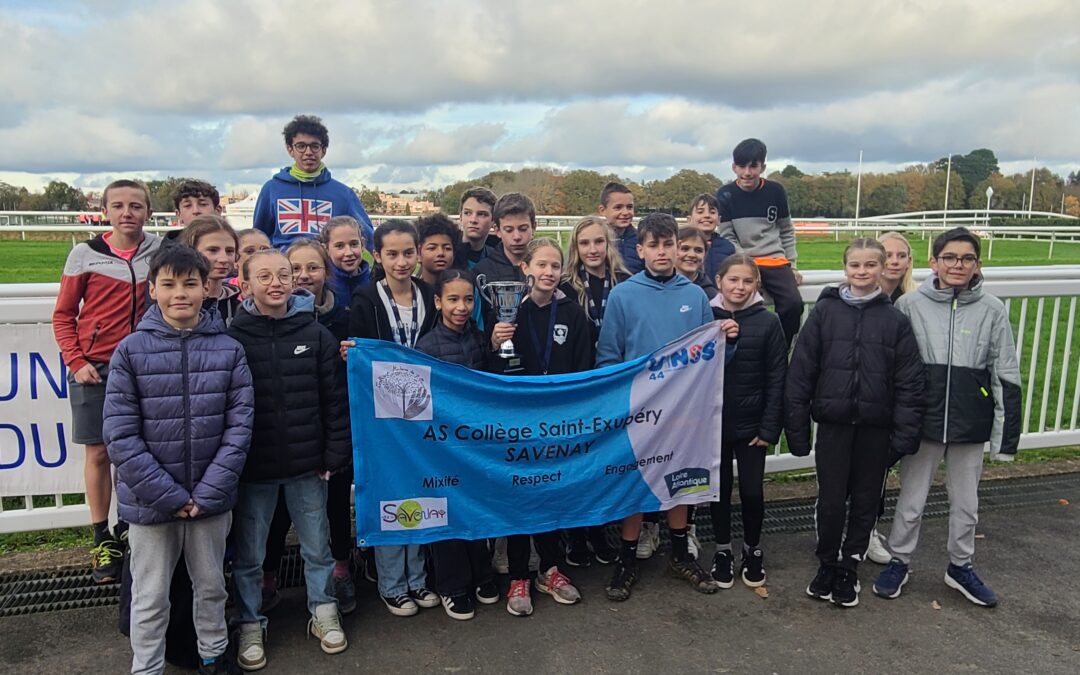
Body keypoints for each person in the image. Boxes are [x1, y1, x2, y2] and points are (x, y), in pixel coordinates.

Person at [104, 245, 253, 675]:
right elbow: (119, 433)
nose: (180, 294)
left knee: (210, 587)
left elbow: (239, 428)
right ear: (153, 290)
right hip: (150, 504)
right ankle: (146, 666)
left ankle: (214, 655)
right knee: (150, 595)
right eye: (168, 284)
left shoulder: (229, 350)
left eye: (190, 284)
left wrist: (206, 492)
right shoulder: (131, 351)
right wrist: (168, 496)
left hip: (210, 499)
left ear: (207, 289)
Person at [873, 227, 1022, 608]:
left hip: (969, 422)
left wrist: (1005, 439)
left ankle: (960, 565)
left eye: (967, 259)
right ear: (933, 262)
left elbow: (1005, 372)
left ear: (977, 265)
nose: (958, 265)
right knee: (911, 500)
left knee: (966, 503)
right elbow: (895, 371)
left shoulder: (993, 309)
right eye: (950, 258)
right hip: (922, 420)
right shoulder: (910, 306)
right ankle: (900, 561)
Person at [596, 213, 737, 601]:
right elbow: (609, 356)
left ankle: (679, 553)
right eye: (653, 245)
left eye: (668, 244)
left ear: (678, 247)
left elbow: (710, 354)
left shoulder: (694, 295)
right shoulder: (623, 295)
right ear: (640, 250)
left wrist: (730, 339)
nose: (662, 252)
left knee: (683, 478)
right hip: (640, 410)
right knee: (636, 481)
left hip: (685, 410)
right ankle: (626, 559)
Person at [785, 238, 925, 609]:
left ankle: (851, 563)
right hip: (833, 426)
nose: (862, 272)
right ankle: (827, 562)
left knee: (865, 502)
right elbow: (801, 371)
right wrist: (797, 428)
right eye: (855, 266)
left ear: (883, 269)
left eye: (870, 266)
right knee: (831, 500)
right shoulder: (825, 313)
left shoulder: (895, 320)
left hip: (876, 430)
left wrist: (904, 436)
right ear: (845, 269)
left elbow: (909, 382)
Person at [228, 249, 350, 669]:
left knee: (317, 547)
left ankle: (323, 610)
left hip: (307, 465)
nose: (276, 283)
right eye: (264, 276)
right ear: (245, 285)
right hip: (255, 468)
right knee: (250, 554)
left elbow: (334, 401)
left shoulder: (316, 335)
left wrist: (333, 452)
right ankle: (249, 621)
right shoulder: (233, 337)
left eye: (283, 275)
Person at [53, 179, 162, 583]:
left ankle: (132, 529)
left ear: (148, 212)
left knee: (140, 450)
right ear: (106, 211)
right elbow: (64, 315)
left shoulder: (158, 251)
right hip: (95, 366)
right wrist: (76, 359)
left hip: (147, 365)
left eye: (136, 205)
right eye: (118, 205)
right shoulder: (85, 254)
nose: (127, 213)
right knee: (99, 453)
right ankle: (102, 537)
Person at [488, 238, 593, 616]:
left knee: (550, 493)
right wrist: (494, 343)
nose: (549, 272)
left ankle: (550, 568)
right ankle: (519, 573)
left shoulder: (572, 313)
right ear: (526, 268)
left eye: (555, 266)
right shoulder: (510, 311)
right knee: (519, 492)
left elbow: (584, 366)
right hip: (518, 420)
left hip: (558, 421)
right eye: (542, 265)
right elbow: (494, 371)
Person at [256, 239, 355, 614]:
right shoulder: (263, 322)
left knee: (334, 505)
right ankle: (268, 577)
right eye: (294, 269)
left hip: (329, 430)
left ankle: (341, 571)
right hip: (286, 436)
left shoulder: (342, 316)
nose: (302, 276)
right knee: (279, 513)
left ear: (326, 272)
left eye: (312, 268)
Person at [349, 220, 440, 616]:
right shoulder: (365, 299)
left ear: (417, 253)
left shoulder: (429, 294)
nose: (401, 262)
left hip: (421, 411)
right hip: (381, 417)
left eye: (407, 253)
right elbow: (358, 355)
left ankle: (417, 579)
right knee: (390, 494)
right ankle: (392, 583)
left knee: (420, 490)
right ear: (378, 255)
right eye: (392, 254)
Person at [414, 269, 501, 620]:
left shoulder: (479, 339)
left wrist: (494, 348)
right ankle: (451, 585)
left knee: (476, 508)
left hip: (475, 445)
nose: (461, 306)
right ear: (438, 302)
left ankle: (482, 573)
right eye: (453, 299)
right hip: (442, 448)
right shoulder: (426, 346)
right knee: (445, 513)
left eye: (468, 299)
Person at [707, 254, 786, 590]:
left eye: (747, 281)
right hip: (714, 425)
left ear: (756, 285)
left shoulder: (768, 322)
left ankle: (753, 548)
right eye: (733, 280)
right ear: (719, 280)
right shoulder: (705, 317)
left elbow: (777, 377)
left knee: (752, 492)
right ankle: (722, 549)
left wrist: (769, 428)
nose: (739, 287)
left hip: (753, 426)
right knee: (718, 492)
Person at [559, 215, 628, 567]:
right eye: (584, 243)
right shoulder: (566, 287)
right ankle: (576, 534)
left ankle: (601, 530)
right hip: (582, 385)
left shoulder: (627, 283)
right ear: (575, 248)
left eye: (598, 242)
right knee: (579, 461)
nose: (592, 249)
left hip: (618, 383)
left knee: (606, 461)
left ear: (608, 244)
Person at [716, 138, 802, 347]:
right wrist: (747, 264)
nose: (747, 172)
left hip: (775, 261)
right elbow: (727, 235)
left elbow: (786, 230)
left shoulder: (776, 191)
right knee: (741, 305)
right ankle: (743, 348)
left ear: (762, 167)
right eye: (742, 166)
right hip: (743, 261)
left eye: (753, 166)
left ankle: (782, 347)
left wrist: (793, 264)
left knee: (794, 303)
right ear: (734, 167)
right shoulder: (724, 194)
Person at [866, 230, 918, 564]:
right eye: (889, 254)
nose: (895, 261)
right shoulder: (857, 296)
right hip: (861, 399)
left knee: (879, 471)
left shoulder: (915, 301)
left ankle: (868, 529)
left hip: (893, 400)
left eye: (902, 255)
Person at [252, 114, 374, 249]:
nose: (308, 152)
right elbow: (258, 237)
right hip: (283, 268)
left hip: (326, 267)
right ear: (290, 149)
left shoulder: (343, 194)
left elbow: (369, 237)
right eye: (301, 146)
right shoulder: (271, 189)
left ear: (324, 150)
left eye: (314, 146)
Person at [474, 192, 536, 324]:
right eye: (509, 230)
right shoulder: (481, 272)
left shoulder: (545, 268)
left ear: (534, 227)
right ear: (497, 230)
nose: (517, 236)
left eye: (523, 229)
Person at [181, 216, 242, 326]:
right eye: (213, 250)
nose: (224, 259)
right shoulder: (178, 305)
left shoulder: (239, 309)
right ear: (190, 251)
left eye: (230, 251)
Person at [319, 215, 371, 305]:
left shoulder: (374, 282)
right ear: (326, 249)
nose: (349, 253)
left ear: (362, 244)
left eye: (354, 244)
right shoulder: (322, 285)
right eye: (339, 246)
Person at [688, 193, 735, 281]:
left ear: (719, 220)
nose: (707, 215)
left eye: (712, 212)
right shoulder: (680, 245)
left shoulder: (727, 247)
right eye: (700, 212)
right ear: (689, 219)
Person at [598, 182, 642, 274]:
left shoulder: (642, 239)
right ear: (603, 210)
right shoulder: (596, 241)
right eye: (618, 207)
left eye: (629, 207)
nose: (625, 212)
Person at [454, 186, 500, 269]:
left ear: (493, 220)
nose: (473, 220)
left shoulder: (498, 259)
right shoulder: (447, 255)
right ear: (461, 217)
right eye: (467, 213)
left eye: (482, 214)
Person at [416, 213, 459, 286]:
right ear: (418, 253)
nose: (441, 253)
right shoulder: (411, 291)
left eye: (447, 248)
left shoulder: (463, 290)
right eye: (432, 248)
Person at [676, 227, 718, 300]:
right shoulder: (656, 287)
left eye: (698, 250)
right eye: (685, 249)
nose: (691, 255)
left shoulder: (710, 296)